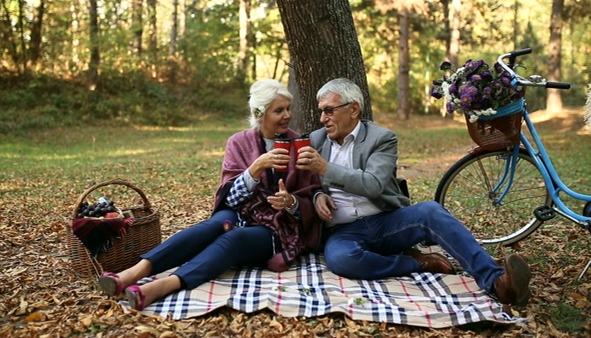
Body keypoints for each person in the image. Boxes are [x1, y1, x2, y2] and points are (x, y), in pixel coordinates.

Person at [294, 77, 532, 307]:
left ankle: (497, 281)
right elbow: (307, 184)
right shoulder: (317, 139)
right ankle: (416, 263)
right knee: (341, 259)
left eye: (329, 110)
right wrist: (317, 196)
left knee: (431, 211)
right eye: (321, 111)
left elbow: (374, 184)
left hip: (386, 221)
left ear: (353, 109)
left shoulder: (381, 138)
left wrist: (326, 169)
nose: (323, 118)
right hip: (344, 231)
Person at [98, 79, 323, 310]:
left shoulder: (300, 144)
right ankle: (132, 274)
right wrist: (255, 169)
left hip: (277, 227)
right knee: (211, 227)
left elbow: (310, 196)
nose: (287, 115)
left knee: (233, 239)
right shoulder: (239, 143)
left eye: (288, 108)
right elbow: (230, 200)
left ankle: (163, 286)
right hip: (240, 213)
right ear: (259, 113)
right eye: (279, 110)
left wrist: (291, 202)